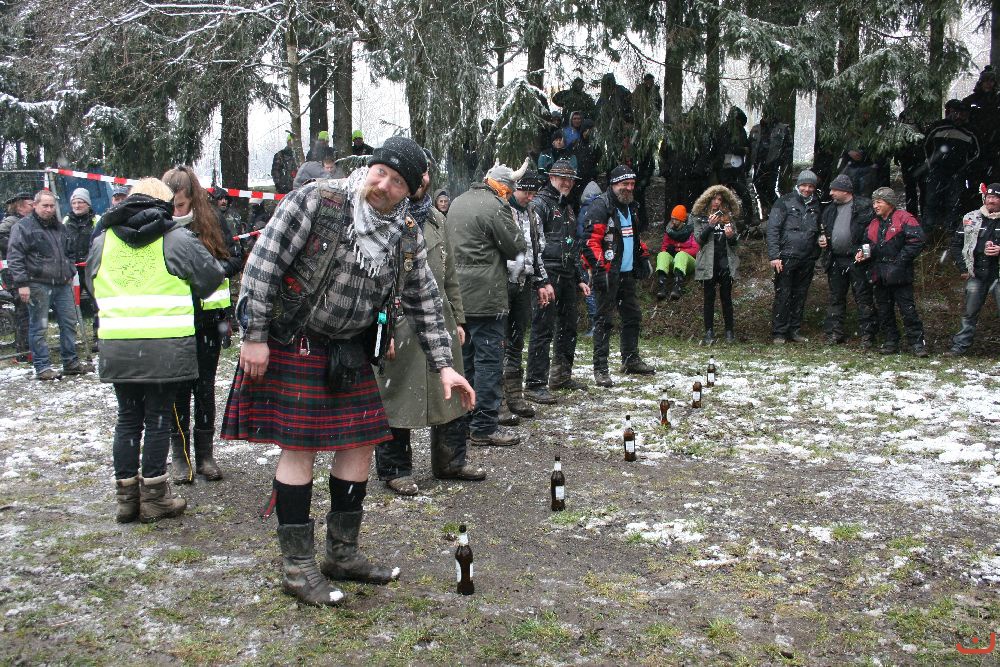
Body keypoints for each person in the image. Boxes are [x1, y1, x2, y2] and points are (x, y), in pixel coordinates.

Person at [222, 137, 474, 607]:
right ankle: (297, 568)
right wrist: (254, 336)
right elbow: (263, 265)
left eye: (397, 181)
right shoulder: (318, 200)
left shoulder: (405, 234)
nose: (384, 185)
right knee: (300, 448)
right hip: (297, 339)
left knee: (360, 444)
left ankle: (342, 553)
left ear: (411, 190)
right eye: (381, 172)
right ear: (369, 167)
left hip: (351, 350)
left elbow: (425, 300)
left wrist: (444, 365)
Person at [87, 178, 224, 523]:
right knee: (158, 419)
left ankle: (126, 499)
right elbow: (211, 279)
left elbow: (91, 284)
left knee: (127, 419)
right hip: (166, 346)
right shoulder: (176, 239)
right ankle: (155, 496)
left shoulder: (103, 239)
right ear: (164, 204)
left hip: (118, 345)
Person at [375, 163, 484, 496]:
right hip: (398, 320)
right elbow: (374, 278)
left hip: (440, 320)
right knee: (396, 397)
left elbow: (450, 276)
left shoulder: (438, 219)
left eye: (425, 173)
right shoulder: (385, 218)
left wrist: (459, 319)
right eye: (415, 173)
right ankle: (395, 469)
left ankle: (450, 461)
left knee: (450, 395)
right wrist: (381, 328)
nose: (422, 179)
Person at [163, 166, 243, 485]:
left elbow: (235, 258)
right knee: (178, 389)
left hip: (209, 319)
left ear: (192, 199)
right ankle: (180, 457)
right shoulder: (160, 226)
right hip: (173, 320)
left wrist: (211, 269)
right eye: (171, 205)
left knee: (205, 387)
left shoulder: (213, 220)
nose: (176, 211)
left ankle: (206, 455)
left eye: (181, 205)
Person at [449, 161, 528, 447]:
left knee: (466, 360)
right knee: (489, 362)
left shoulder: (457, 202)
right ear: (505, 188)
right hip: (487, 298)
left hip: (459, 297)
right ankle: (484, 426)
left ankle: (465, 420)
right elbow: (515, 246)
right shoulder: (496, 206)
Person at [581, 165, 656, 387]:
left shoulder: (630, 206)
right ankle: (600, 369)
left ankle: (630, 359)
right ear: (613, 184)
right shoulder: (600, 206)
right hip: (607, 273)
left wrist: (642, 256)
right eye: (625, 184)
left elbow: (633, 237)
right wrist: (599, 269)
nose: (629, 188)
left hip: (626, 273)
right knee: (603, 321)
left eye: (632, 184)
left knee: (632, 316)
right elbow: (590, 241)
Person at [7, 191, 93, 380]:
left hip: (62, 283)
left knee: (69, 323)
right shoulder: (23, 227)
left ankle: (70, 363)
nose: (49, 209)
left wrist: (70, 270)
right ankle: (42, 367)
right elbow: (15, 257)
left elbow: (69, 251)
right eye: (45, 205)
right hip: (37, 283)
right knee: (39, 327)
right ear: (35, 205)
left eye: (52, 206)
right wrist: (22, 283)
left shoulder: (59, 227)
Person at [525, 159, 591, 403]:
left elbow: (573, 246)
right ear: (551, 178)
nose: (567, 183)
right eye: (563, 178)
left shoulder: (568, 207)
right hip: (547, 275)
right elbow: (532, 245)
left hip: (566, 275)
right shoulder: (539, 204)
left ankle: (561, 376)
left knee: (568, 327)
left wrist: (580, 277)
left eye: (571, 179)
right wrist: (540, 279)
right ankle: (535, 383)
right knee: (542, 329)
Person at [502, 170, 553, 422]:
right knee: (497, 343)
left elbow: (537, 251)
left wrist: (542, 281)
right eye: (526, 192)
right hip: (501, 284)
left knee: (516, 340)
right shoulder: (501, 210)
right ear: (515, 189)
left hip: (524, 283)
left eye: (534, 193)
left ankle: (514, 394)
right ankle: (497, 399)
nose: (530, 197)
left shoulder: (533, 214)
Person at [857, 187, 928, 356]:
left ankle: (917, 344)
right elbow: (867, 244)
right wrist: (862, 254)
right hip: (879, 274)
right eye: (874, 202)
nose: (875, 206)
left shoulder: (905, 218)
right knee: (884, 311)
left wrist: (899, 262)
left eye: (879, 202)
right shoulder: (873, 223)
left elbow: (917, 241)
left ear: (889, 203)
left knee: (908, 310)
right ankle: (890, 341)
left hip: (900, 274)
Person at [817, 174, 877, 347]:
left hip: (858, 260)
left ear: (846, 191)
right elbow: (822, 231)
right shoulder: (829, 210)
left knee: (863, 297)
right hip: (835, 259)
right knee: (836, 297)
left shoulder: (864, 207)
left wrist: (865, 252)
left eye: (834, 190)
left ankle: (868, 335)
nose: (831, 193)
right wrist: (822, 240)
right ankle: (834, 333)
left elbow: (873, 235)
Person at [766, 169, 821, 344]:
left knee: (800, 294)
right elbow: (773, 229)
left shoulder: (816, 205)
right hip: (785, 257)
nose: (807, 189)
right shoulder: (784, 201)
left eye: (810, 186)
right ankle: (779, 332)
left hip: (807, 258)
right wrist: (774, 255)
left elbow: (819, 229)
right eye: (804, 185)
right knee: (783, 294)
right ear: (798, 185)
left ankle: (794, 330)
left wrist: (819, 244)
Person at [945, 183, 1000, 356]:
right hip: (976, 273)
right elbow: (956, 245)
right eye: (989, 197)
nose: (991, 201)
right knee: (969, 313)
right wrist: (963, 268)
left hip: (997, 274)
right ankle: (959, 347)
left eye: (995, 197)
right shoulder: (971, 217)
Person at [692, 185, 741, 344]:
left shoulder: (728, 217)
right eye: (714, 198)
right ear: (708, 199)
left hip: (726, 263)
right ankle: (709, 332)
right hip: (708, 263)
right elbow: (699, 240)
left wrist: (731, 236)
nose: (717, 202)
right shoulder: (700, 217)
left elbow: (735, 244)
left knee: (726, 298)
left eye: (720, 199)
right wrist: (709, 226)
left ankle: (729, 332)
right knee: (709, 299)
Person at [922, 99, 979, 235]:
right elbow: (925, 146)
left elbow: (976, 153)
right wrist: (931, 164)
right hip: (936, 171)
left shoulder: (970, 131)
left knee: (953, 202)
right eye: (955, 112)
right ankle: (928, 232)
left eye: (962, 113)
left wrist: (964, 167)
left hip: (957, 173)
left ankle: (950, 232)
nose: (958, 116)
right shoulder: (938, 127)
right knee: (931, 201)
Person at [0, 192, 35, 361]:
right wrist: (17, 247)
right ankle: (23, 351)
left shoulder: (27, 221)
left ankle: (27, 348)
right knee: (23, 310)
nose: (33, 207)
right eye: (30, 204)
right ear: (20, 206)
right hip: (12, 272)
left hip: (23, 270)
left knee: (26, 310)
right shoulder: (11, 221)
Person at [63, 188, 100, 337]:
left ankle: (99, 336)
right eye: (74, 203)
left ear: (88, 204)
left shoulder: (97, 220)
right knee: (70, 306)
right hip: (73, 269)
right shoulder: (65, 221)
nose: (77, 206)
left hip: (92, 268)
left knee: (98, 303)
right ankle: (71, 338)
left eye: (80, 202)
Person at [750, 111, 793, 213]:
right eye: (765, 114)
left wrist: (781, 161)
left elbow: (788, 147)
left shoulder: (783, 129)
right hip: (758, 163)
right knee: (758, 186)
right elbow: (750, 145)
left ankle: (779, 210)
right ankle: (767, 209)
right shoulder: (756, 129)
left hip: (774, 164)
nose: (766, 117)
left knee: (771, 189)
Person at [655, 205, 699, 301]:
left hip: (689, 263)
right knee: (662, 255)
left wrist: (678, 249)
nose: (673, 221)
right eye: (672, 219)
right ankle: (662, 286)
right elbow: (664, 248)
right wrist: (667, 251)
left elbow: (696, 250)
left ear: (682, 220)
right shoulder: (669, 231)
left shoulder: (691, 230)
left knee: (681, 255)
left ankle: (677, 287)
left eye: (675, 219)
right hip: (674, 261)